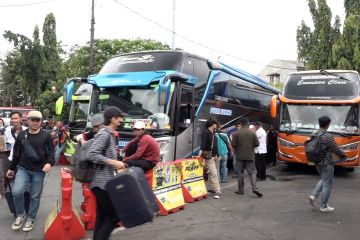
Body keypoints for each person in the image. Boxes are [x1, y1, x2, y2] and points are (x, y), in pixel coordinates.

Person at [7, 110, 54, 232]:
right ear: (27, 121)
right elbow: (16, 153)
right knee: (17, 192)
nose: (34, 122)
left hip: (39, 171)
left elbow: (51, 154)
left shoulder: (46, 135)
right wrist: (11, 168)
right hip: (23, 169)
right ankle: (20, 215)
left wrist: (49, 163)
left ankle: (31, 218)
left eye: (37, 120)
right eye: (32, 120)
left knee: (35, 196)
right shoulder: (22, 135)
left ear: (41, 122)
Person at [87, 106, 126, 240]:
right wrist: (113, 162)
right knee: (113, 216)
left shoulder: (109, 134)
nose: (121, 120)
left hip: (104, 182)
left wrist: (117, 163)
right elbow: (92, 155)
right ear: (113, 119)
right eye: (119, 117)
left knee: (103, 217)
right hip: (101, 183)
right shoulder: (104, 134)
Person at [308, 116, 346, 212]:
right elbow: (335, 149)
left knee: (324, 179)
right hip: (327, 163)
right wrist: (343, 155)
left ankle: (313, 196)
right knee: (327, 184)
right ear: (328, 124)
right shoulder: (327, 136)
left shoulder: (314, 133)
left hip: (316, 161)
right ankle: (324, 206)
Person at [232, 117, 263, 197]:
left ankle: (241, 190)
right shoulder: (252, 133)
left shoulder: (236, 134)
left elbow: (233, 145)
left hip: (239, 156)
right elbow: (257, 144)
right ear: (248, 123)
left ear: (240, 124)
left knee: (240, 173)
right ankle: (254, 188)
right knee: (252, 172)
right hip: (250, 155)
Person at [0, 112, 27, 200]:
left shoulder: (27, 130)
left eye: (15, 118)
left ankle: (23, 198)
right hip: (11, 159)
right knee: (10, 179)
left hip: (24, 160)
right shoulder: (7, 131)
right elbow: (7, 144)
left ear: (20, 119)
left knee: (23, 180)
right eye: (12, 118)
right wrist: (4, 148)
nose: (13, 120)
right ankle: (13, 199)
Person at [200, 118, 221, 199]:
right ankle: (217, 191)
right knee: (214, 173)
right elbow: (202, 145)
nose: (216, 125)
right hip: (208, 156)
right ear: (212, 124)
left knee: (210, 173)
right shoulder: (205, 132)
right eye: (215, 124)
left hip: (214, 155)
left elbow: (215, 144)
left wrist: (217, 154)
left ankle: (212, 188)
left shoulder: (213, 132)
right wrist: (199, 155)